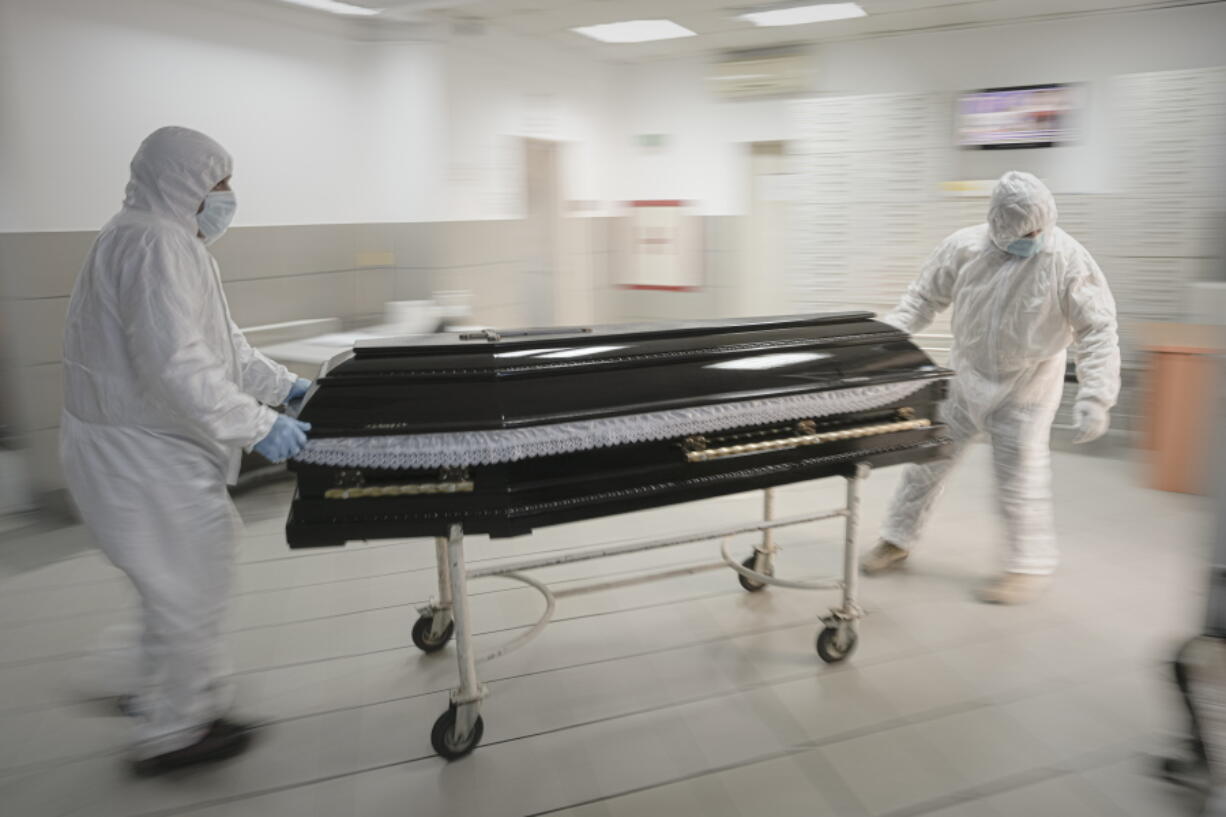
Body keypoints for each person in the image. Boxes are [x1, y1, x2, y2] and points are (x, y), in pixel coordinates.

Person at [60, 126, 313, 774]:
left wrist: (284, 386)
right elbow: (177, 367)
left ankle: (156, 693)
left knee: (175, 578)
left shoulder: (170, 241)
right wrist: (259, 425)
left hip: (142, 445)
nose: (227, 198)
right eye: (219, 184)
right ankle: (175, 730)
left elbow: (219, 346)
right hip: (137, 451)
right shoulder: (152, 242)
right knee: (190, 579)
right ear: (184, 184)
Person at [860, 171, 1120, 605]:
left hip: (1028, 385)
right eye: (1025, 231)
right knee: (927, 462)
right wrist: (885, 337)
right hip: (965, 375)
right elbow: (922, 299)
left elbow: (1098, 329)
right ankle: (896, 539)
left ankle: (1027, 565)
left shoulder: (1068, 260)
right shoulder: (964, 247)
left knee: (1020, 478)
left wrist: (1096, 395)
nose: (1034, 237)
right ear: (999, 224)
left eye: (1041, 228)